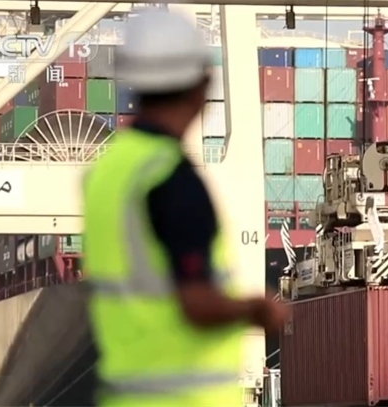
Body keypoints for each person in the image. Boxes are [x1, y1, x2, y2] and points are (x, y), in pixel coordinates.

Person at [82, 9, 288, 407]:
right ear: (202, 85)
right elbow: (194, 304)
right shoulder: (172, 178)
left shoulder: (107, 170)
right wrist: (259, 309)